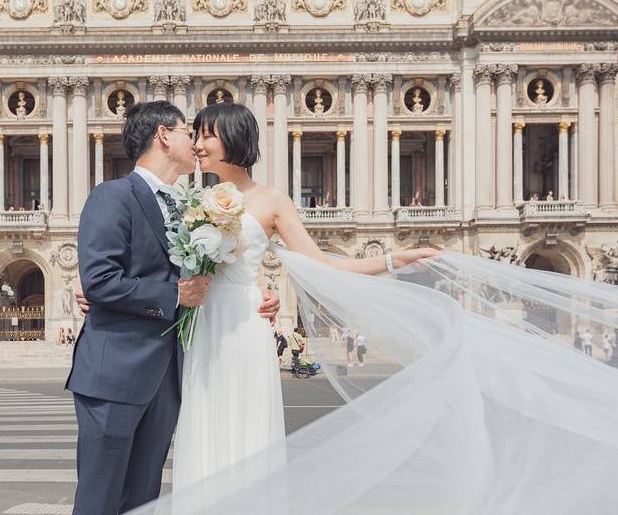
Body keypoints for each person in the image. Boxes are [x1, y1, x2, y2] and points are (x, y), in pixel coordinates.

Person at [170, 102, 438, 490]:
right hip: (203, 324)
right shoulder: (193, 198)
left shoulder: (272, 200)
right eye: (196, 134)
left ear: (234, 137)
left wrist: (396, 259)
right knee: (204, 421)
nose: (198, 143)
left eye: (207, 134)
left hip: (244, 324)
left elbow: (323, 264)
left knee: (246, 427)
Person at [67, 101, 284, 515]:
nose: (197, 143)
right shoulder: (112, 195)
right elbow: (99, 280)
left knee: (142, 500)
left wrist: (257, 296)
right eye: (190, 131)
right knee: (99, 500)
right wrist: (172, 296)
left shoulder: (190, 205)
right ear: (164, 136)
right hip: (114, 374)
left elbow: (212, 270)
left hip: (170, 378)